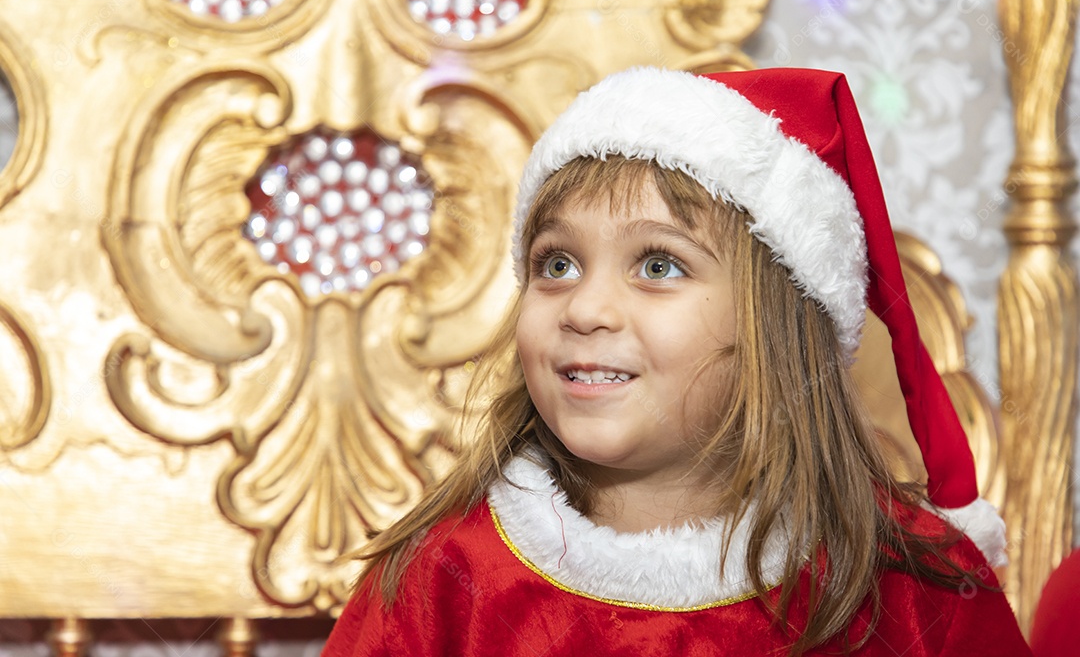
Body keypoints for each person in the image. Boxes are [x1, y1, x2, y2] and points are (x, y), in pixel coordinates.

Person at [323, 67, 1032, 656]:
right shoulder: (440, 580)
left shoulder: (914, 590)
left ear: (776, 328)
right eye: (558, 263)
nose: (585, 308)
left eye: (658, 264)